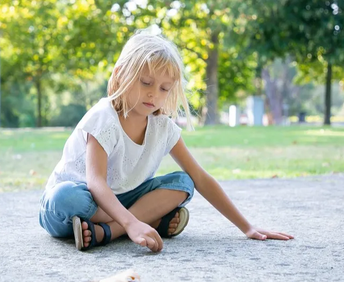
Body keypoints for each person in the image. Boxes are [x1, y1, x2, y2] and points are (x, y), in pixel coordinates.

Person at [38, 30, 294, 253]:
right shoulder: (104, 118)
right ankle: (143, 220)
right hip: (76, 205)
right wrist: (132, 222)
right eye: (146, 82)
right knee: (66, 197)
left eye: (164, 88)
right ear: (120, 75)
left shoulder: (162, 127)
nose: (154, 94)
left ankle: (107, 232)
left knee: (183, 182)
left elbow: (200, 177)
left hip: (122, 201)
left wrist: (247, 227)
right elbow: (95, 183)